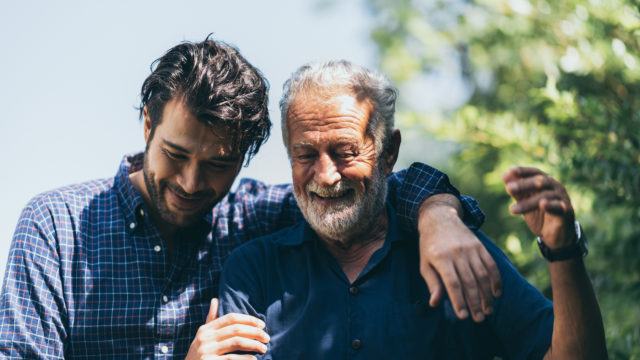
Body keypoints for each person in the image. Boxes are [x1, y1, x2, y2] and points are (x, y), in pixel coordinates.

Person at [0, 38, 499, 359]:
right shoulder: (54, 228)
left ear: (245, 158)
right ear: (148, 125)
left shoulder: (255, 217)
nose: (193, 184)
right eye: (175, 154)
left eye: (218, 164)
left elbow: (366, 185)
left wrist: (439, 214)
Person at [215, 60, 608, 359]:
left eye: (345, 152)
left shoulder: (456, 248)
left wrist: (563, 249)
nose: (326, 175)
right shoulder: (253, 271)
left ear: (389, 154)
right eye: (305, 154)